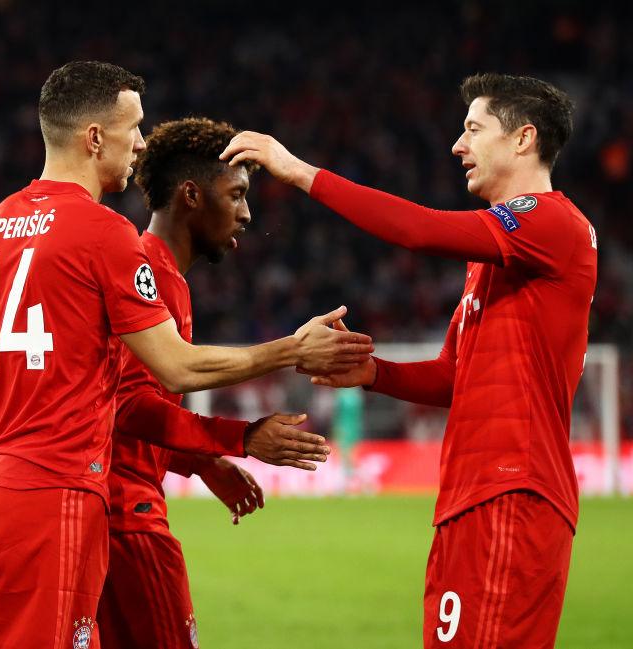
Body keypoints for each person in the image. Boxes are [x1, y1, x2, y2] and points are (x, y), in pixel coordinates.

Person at [0, 60, 372, 649]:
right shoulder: (106, 234)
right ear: (94, 137)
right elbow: (173, 368)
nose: (140, 142)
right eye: (133, 127)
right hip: (62, 495)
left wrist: (2, 445)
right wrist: (290, 351)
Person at [222, 73, 596, 648]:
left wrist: (297, 170)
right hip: (470, 495)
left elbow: (419, 230)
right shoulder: (494, 257)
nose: (458, 145)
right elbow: (453, 375)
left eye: (474, 129)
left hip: (513, 490)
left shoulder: (551, 222)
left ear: (524, 139)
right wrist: (374, 373)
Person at [96, 117, 333, 649]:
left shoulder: (156, 271)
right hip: (126, 514)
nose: (247, 214)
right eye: (236, 194)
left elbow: (122, 401)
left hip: (109, 509)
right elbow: (128, 407)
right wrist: (239, 438)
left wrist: (203, 462)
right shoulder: (149, 276)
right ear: (191, 195)